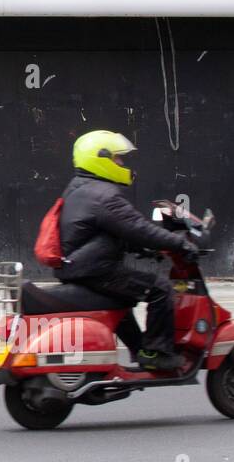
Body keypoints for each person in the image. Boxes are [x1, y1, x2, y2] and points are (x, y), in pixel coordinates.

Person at [55, 130, 197, 371]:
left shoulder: (79, 189)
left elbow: (106, 232)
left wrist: (142, 249)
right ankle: (155, 353)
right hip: (95, 270)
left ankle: (140, 348)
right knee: (160, 288)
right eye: (117, 158)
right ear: (100, 160)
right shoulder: (103, 196)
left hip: (78, 266)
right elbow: (138, 228)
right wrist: (179, 243)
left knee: (121, 298)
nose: (122, 163)